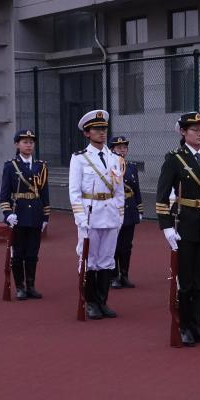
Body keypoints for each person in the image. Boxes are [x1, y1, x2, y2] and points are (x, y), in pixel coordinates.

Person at [156, 112, 200, 346]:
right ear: (183, 132)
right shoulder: (174, 159)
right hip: (184, 224)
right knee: (185, 281)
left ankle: (197, 325)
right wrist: (167, 228)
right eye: (195, 130)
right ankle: (183, 326)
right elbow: (162, 196)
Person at [68, 110, 125, 319]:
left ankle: (102, 301)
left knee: (107, 259)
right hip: (90, 215)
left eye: (104, 128)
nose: (102, 132)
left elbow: (119, 191)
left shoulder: (115, 158)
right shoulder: (79, 159)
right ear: (87, 133)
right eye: (97, 129)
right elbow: (74, 192)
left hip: (110, 214)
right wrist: (81, 219)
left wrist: (120, 216)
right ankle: (90, 302)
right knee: (89, 260)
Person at [0, 129, 50, 300]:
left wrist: (45, 216)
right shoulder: (10, 166)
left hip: (35, 213)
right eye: (25, 142)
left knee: (32, 254)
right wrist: (7, 214)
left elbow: (44, 193)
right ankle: (20, 287)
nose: (29, 145)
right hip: (18, 214)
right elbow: (4, 195)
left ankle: (31, 286)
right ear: (17, 145)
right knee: (18, 253)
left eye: (31, 142)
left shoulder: (41, 166)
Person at [108, 136, 143, 289]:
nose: (122, 150)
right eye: (119, 147)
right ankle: (113, 276)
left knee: (127, 245)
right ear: (112, 149)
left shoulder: (131, 167)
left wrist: (139, 208)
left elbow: (136, 189)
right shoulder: (108, 166)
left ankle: (125, 275)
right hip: (114, 209)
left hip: (129, 208)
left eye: (124, 147)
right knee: (114, 245)